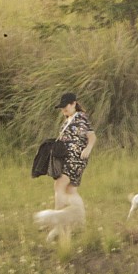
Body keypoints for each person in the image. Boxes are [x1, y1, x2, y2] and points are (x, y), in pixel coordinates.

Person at [45, 92, 96, 241]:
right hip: (66, 158)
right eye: (62, 108)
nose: (63, 109)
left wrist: (88, 149)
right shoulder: (67, 120)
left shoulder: (81, 117)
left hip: (77, 157)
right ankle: (80, 222)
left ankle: (58, 225)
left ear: (74, 103)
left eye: (65, 106)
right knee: (70, 190)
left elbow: (92, 136)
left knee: (59, 185)